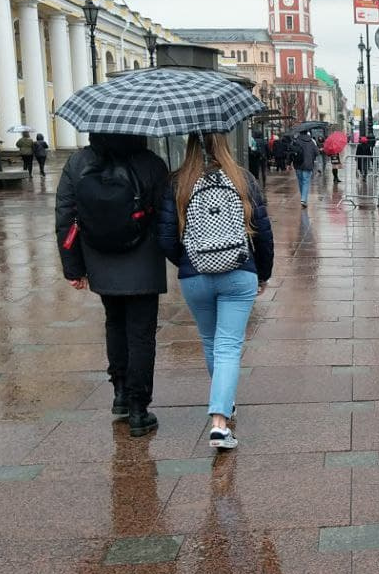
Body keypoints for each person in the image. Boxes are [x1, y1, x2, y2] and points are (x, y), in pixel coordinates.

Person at [157, 133, 274, 450]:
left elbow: (166, 237)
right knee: (228, 347)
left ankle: (225, 402)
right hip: (239, 272)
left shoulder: (178, 182)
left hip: (194, 274)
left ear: (190, 146)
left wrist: (187, 262)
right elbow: (263, 231)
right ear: (224, 145)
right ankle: (220, 423)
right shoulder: (243, 178)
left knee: (212, 342)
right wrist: (263, 272)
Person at [55, 133, 170, 437]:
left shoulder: (78, 162)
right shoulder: (151, 164)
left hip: (100, 258)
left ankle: (120, 393)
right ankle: (138, 409)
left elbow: (65, 216)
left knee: (114, 323)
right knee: (142, 335)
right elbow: (166, 216)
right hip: (144, 261)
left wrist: (73, 267)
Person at [291, 131, 318, 206]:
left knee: (300, 181)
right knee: (305, 181)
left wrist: (288, 162)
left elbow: (291, 151)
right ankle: (303, 199)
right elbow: (317, 152)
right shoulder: (311, 141)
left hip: (298, 164)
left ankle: (303, 197)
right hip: (308, 164)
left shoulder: (296, 141)